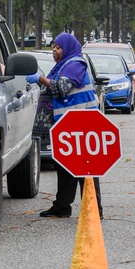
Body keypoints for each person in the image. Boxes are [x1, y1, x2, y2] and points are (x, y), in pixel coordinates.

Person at [32, 32, 102, 219]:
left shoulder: (75, 65)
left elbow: (61, 88)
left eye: (58, 47)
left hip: (81, 124)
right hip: (66, 124)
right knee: (64, 166)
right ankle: (62, 206)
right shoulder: (62, 66)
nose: (54, 51)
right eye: (53, 47)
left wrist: (39, 79)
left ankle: (94, 210)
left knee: (85, 169)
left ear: (68, 48)